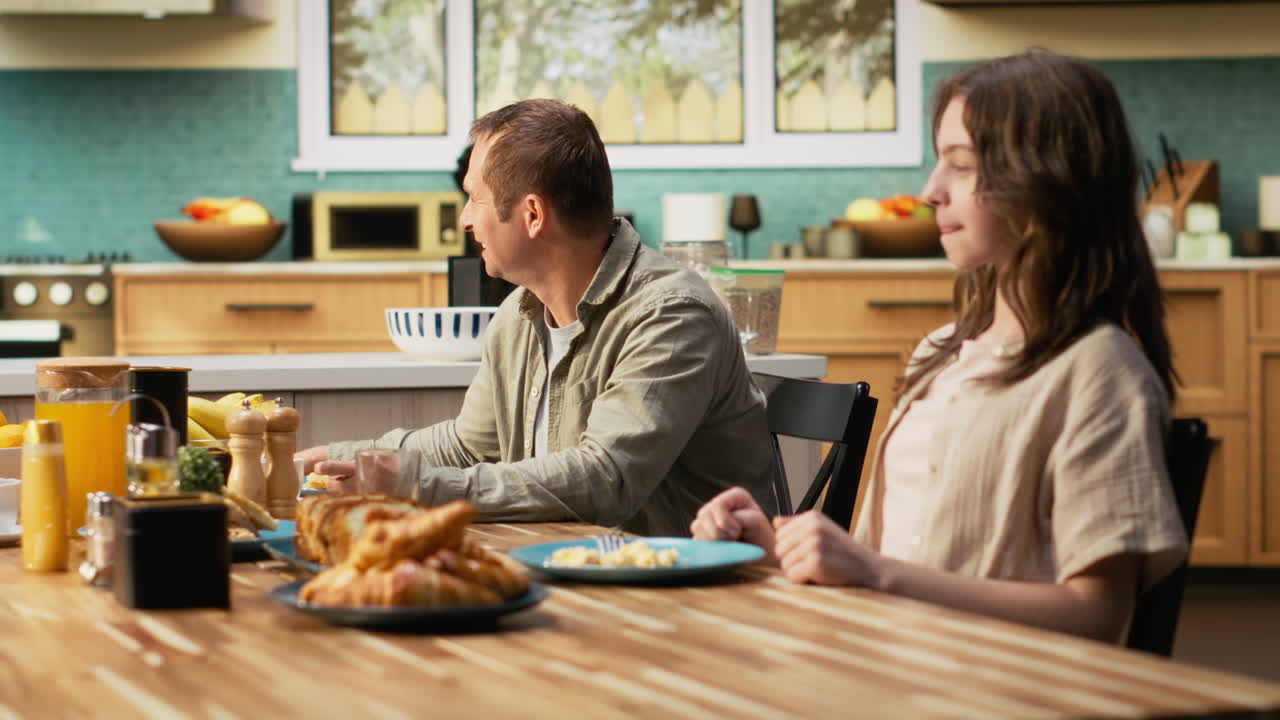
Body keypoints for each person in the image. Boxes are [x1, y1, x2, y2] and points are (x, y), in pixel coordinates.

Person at [691, 49, 1187, 643]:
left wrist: (875, 572)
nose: (931, 190)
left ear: (1045, 181)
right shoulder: (943, 352)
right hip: (895, 666)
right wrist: (777, 550)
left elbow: (1100, 614)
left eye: (961, 165)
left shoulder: (1099, 372)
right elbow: (889, 563)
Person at [298, 98, 777, 536]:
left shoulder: (670, 315)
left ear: (531, 215)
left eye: (475, 198)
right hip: (578, 576)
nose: (464, 219)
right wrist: (346, 460)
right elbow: (469, 447)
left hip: (696, 599)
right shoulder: (519, 314)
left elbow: (605, 478)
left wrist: (417, 487)